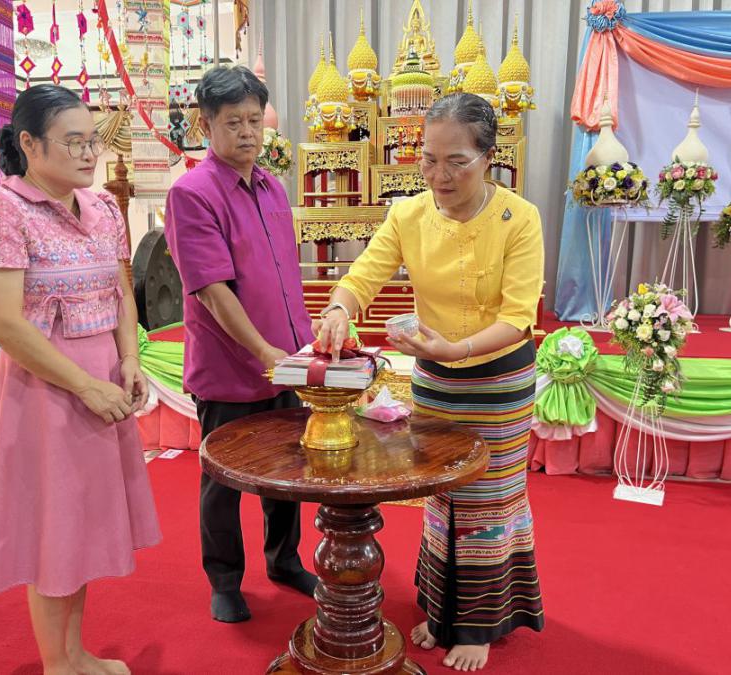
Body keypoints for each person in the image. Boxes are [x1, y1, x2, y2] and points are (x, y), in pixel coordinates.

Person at [316, 93, 545, 672]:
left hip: (497, 381)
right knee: (442, 496)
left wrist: (456, 349)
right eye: (429, 159)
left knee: (488, 500)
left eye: (457, 162)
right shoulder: (409, 215)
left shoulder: (519, 218)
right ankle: (443, 613)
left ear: (488, 158)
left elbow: (518, 316)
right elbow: (363, 275)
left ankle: (480, 625)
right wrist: (339, 308)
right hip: (436, 382)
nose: (439, 175)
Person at [0, 84, 161, 675]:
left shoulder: (102, 208)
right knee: (54, 530)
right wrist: (84, 385)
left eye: (92, 141)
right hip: (45, 389)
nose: (88, 153)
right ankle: (58, 664)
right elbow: (1, 322)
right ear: (29, 144)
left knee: (81, 528)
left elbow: (122, 293)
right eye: (73, 142)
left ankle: (75, 654)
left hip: (103, 380)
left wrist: (129, 359)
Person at [164, 65, 317, 624]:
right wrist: (263, 352)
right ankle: (225, 580)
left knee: (289, 472)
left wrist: (302, 347)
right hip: (231, 368)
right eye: (234, 122)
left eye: (255, 120)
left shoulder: (272, 186)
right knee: (222, 481)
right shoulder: (192, 194)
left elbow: (285, 279)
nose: (248, 132)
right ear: (206, 125)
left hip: (288, 362)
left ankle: (284, 561)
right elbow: (211, 291)